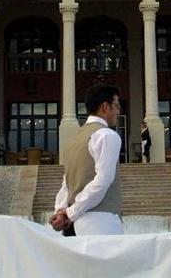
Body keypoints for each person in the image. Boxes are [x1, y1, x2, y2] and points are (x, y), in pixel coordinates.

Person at [51, 84, 124, 236]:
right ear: (105, 107)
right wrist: (70, 213)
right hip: (100, 224)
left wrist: (61, 211)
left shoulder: (74, 139)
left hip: (72, 227)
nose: (119, 110)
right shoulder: (107, 135)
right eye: (116, 105)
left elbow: (67, 183)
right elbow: (103, 181)